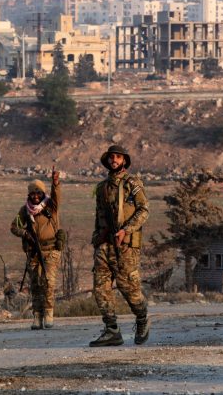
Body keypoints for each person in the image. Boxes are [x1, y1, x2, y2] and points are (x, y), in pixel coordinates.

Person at [89, 145, 150, 346]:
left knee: (129, 288)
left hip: (125, 245)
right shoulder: (102, 187)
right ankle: (111, 329)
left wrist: (127, 230)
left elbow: (143, 210)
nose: (114, 160)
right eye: (111, 157)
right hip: (104, 245)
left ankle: (142, 318)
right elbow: (99, 216)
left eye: (118, 157)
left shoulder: (132, 184)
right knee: (100, 288)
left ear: (124, 160)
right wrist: (97, 238)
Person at [10, 167, 62, 330]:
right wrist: (24, 233)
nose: (36, 196)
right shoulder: (25, 210)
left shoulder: (50, 207)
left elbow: (57, 196)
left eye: (38, 193)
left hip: (51, 250)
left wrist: (55, 183)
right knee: (35, 284)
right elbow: (13, 227)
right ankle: (37, 316)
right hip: (33, 252)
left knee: (49, 282)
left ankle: (48, 313)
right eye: (33, 193)